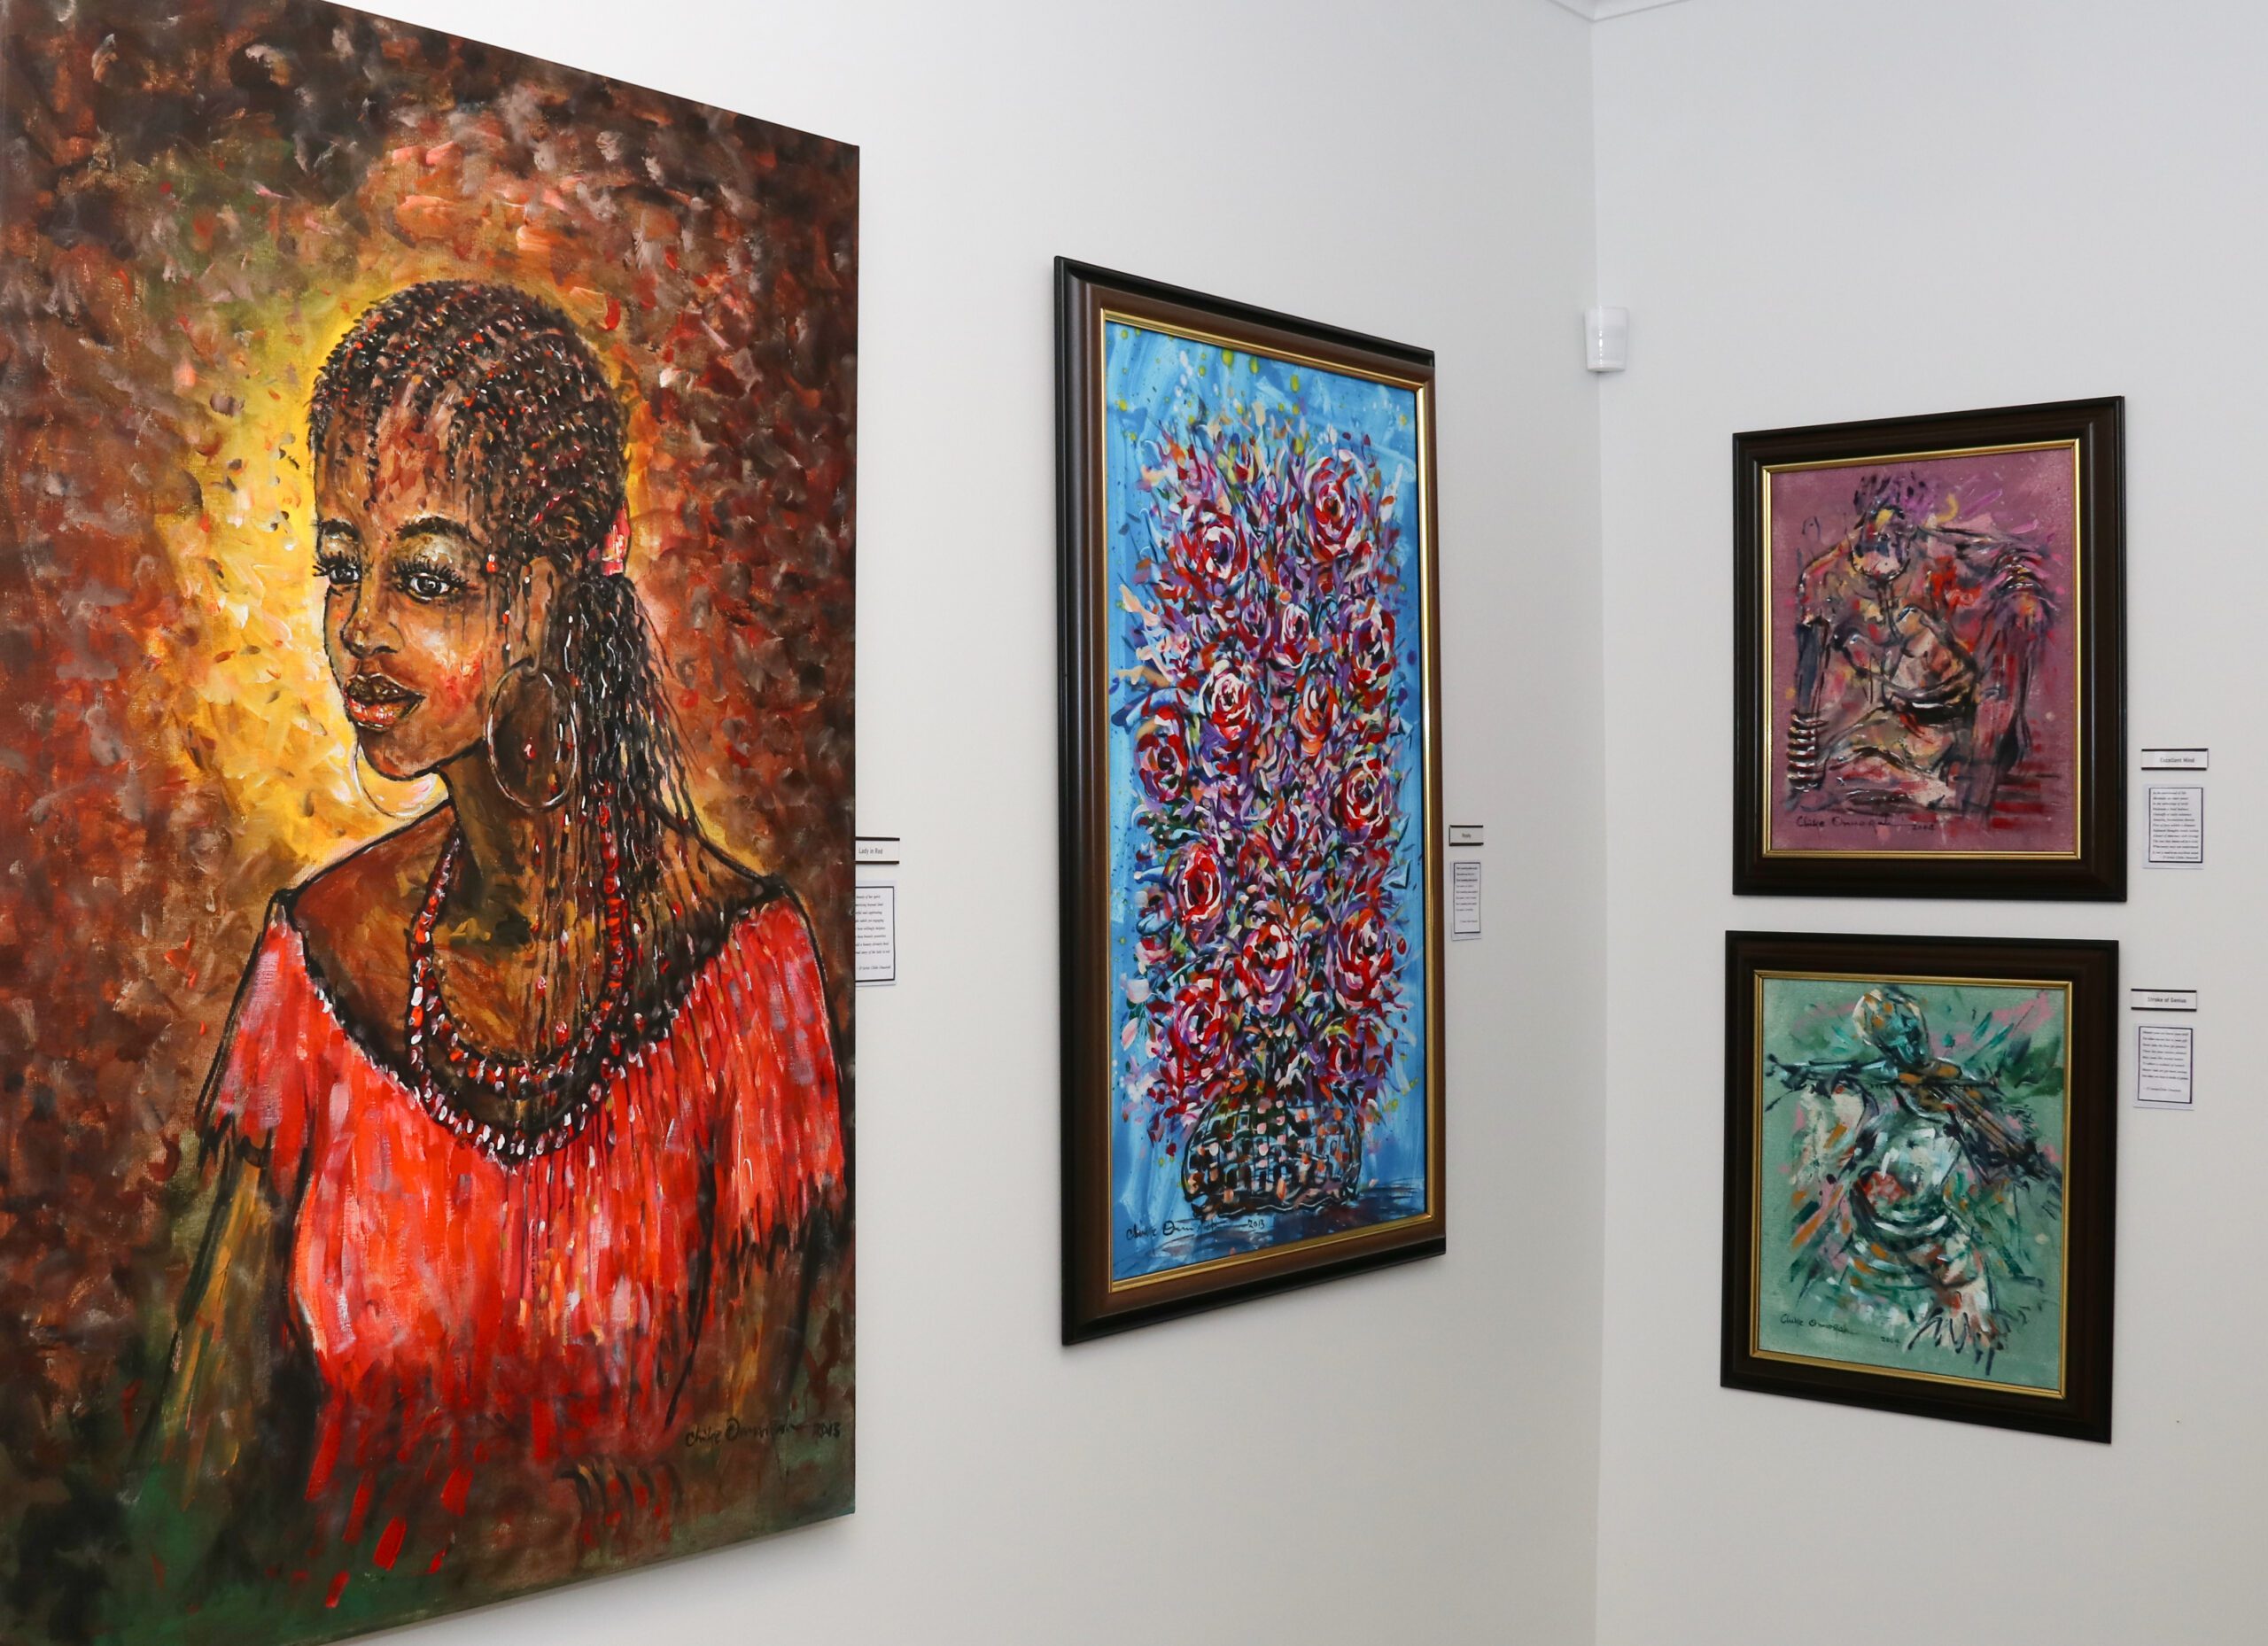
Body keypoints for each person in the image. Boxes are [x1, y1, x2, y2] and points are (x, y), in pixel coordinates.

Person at [132, 281, 849, 1616]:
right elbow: (185, 1487)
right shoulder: (313, 966)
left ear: (560, 587)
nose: (358, 627)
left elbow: (770, 1469)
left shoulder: (747, 975)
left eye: (427, 578)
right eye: (341, 564)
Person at [1769, 988, 2058, 1366]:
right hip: (1878, 1235)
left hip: (1932, 1233)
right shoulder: (1874, 1086)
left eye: (1909, 1031)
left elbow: (2002, 1144)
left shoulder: (1956, 1083)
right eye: (1892, 1035)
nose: (1907, 1042)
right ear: (1877, 1042)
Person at [1785, 474, 2051, 815]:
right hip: (1902, 721)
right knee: (1846, 769)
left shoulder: (1942, 558)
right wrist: (1804, 764)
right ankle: (1932, 787)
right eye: (1877, 526)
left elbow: (2010, 563)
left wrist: (2023, 596)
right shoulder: (1822, 580)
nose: (1888, 538)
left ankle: (1959, 785)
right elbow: (1807, 686)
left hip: (1966, 721)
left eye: (1900, 528)